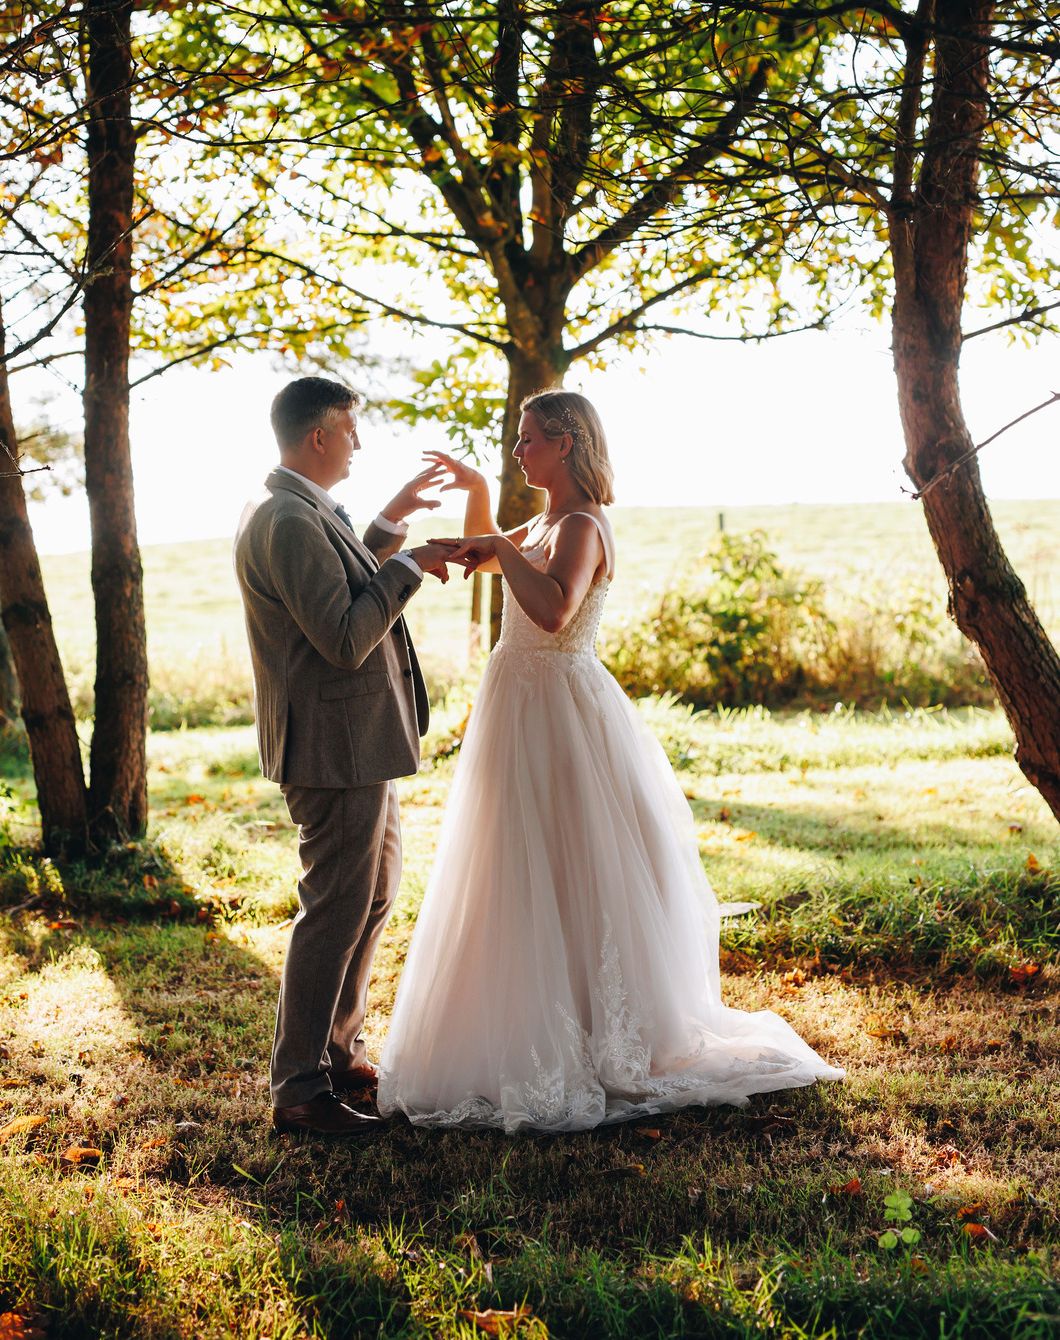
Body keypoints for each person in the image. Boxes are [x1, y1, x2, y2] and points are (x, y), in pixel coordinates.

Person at [377, 389, 843, 1132]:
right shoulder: (543, 521)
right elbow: (497, 560)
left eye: (528, 439)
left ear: (566, 443)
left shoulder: (584, 524)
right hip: (518, 701)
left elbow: (555, 609)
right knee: (518, 857)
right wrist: (476, 506)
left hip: (559, 707)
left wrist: (497, 547)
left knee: (573, 854)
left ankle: (602, 1030)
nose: (517, 451)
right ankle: (539, 1015)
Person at [233, 376, 453, 1137]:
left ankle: (336, 1048)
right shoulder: (287, 519)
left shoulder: (301, 509)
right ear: (318, 436)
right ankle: (298, 1088)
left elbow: (341, 574)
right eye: (349, 431)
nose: (358, 443)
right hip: (331, 749)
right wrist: (410, 567)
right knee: (333, 908)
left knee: (374, 893)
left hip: (355, 743)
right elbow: (345, 634)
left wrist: (390, 523)